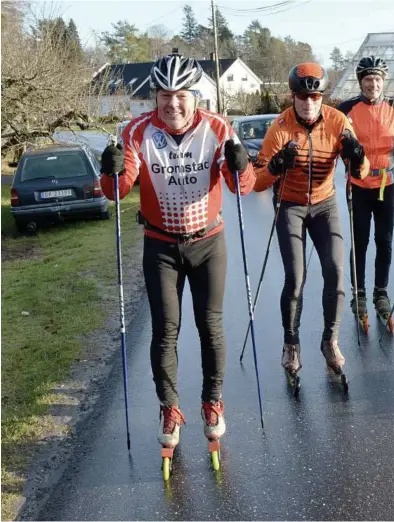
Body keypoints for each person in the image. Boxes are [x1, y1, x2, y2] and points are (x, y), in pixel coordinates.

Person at [99, 51, 255, 451]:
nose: (173, 103)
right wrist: (110, 171)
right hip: (161, 245)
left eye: (181, 94)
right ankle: (169, 408)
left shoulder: (219, 128)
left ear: (195, 96)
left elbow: (242, 187)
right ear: (155, 97)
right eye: (165, 95)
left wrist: (241, 165)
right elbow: (118, 190)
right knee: (165, 331)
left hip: (208, 242)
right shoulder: (135, 132)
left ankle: (212, 402)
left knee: (210, 326)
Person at [253, 62, 369, 375]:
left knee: (335, 271)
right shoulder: (280, 127)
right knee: (296, 279)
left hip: (324, 204)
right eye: (302, 97)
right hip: (289, 205)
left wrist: (358, 157)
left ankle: (330, 340)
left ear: (322, 97)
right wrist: (277, 166)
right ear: (293, 96)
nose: (309, 103)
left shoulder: (338, 121)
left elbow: (361, 172)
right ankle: (291, 344)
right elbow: (256, 181)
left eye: (315, 97)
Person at [337, 55, 394, 322]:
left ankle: (380, 292)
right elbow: (332, 139)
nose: (373, 84)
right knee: (359, 242)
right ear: (361, 82)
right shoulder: (346, 108)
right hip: (359, 184)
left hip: (387, 183)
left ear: (383, 82)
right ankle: (358, 292)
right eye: (368, 79)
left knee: (384, 241)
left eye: (377, 79)